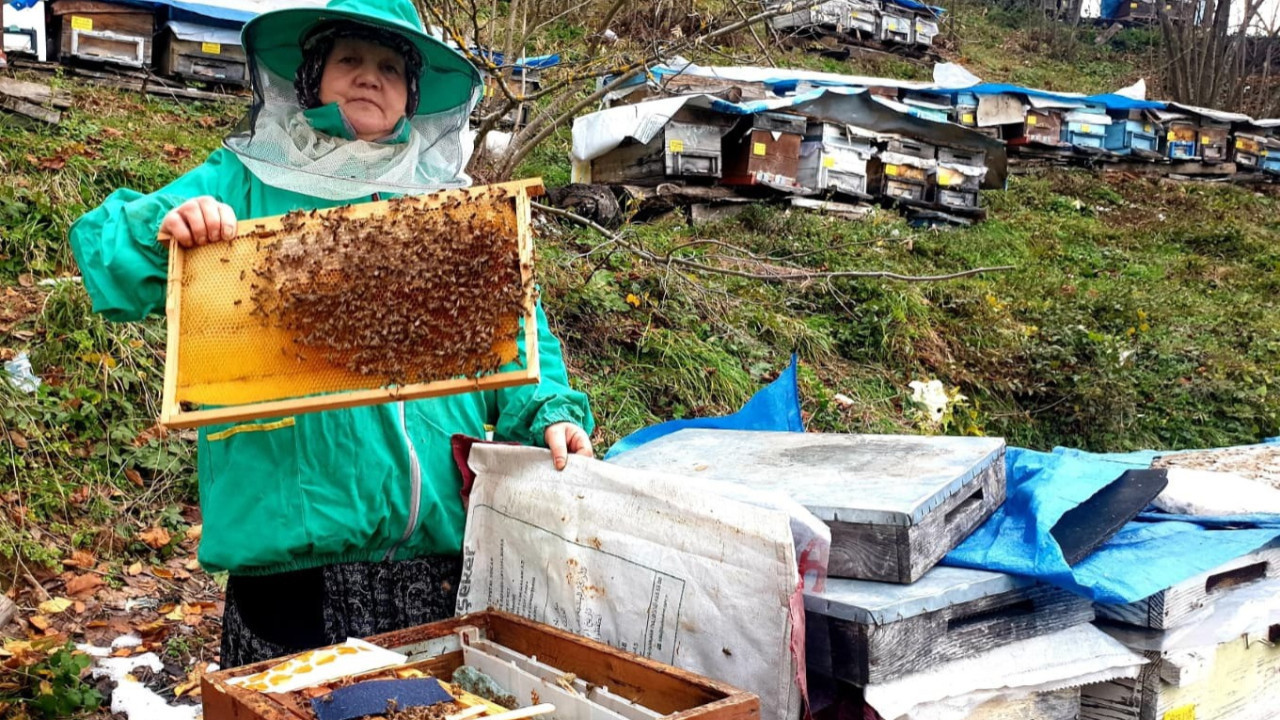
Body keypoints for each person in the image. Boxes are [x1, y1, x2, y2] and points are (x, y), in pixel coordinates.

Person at [68, 0, 594, 668]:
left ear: (413, 95)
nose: (368, 77)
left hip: (436, 550)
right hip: (293, 551)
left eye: (387, 67)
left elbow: (519, 334)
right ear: (312, 77)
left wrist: (550, 411)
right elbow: (106, 253)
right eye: (349, 59)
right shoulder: (242, 179)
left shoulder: (454, 208)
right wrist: (171, 225)